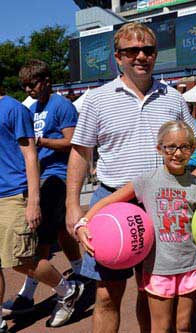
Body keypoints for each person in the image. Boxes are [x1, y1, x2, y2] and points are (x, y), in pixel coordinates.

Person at [65, 22, 196, 333]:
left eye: (148, 50)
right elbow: (81, 153)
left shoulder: (173, 98)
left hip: (161, 205)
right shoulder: (97, 99)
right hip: (113, 204)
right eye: (132, 50)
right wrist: (72, 207)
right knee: (107, 294)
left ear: (155, 55)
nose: (140, 56)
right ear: (117, 57)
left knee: (150, 292)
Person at [76, 121, 196, 333]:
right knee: (161, 327)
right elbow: (108, 201)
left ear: (193, 149)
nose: (177, 153)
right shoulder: (147, 181)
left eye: (185, 147)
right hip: (158, 268)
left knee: (183, 326)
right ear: (159, 148)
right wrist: (83, 223)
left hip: (189, 265)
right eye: (170, 147)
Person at [2, 60, 85, 327]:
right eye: (25, 85)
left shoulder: (61, 106)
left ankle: (68, 283)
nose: (29, 89)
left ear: (47, 80)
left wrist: (42, 142)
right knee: (50, 234)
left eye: (33, 84)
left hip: (57, 176)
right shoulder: (31, 107)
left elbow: (73, 141)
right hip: (39, 176)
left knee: (40, 240)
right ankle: (75, 275)